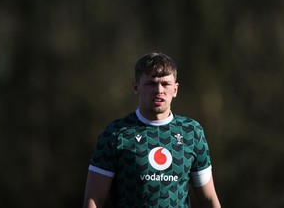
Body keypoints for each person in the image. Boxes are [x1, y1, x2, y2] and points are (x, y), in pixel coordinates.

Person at [83, 52, 221, 208]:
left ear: (175, 89)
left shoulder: (191, 132)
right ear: (136, 87)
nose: (159, 90)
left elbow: (209, 199)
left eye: (165, 84)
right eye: (151, 83)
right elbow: (93, 200)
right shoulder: (115, 134)